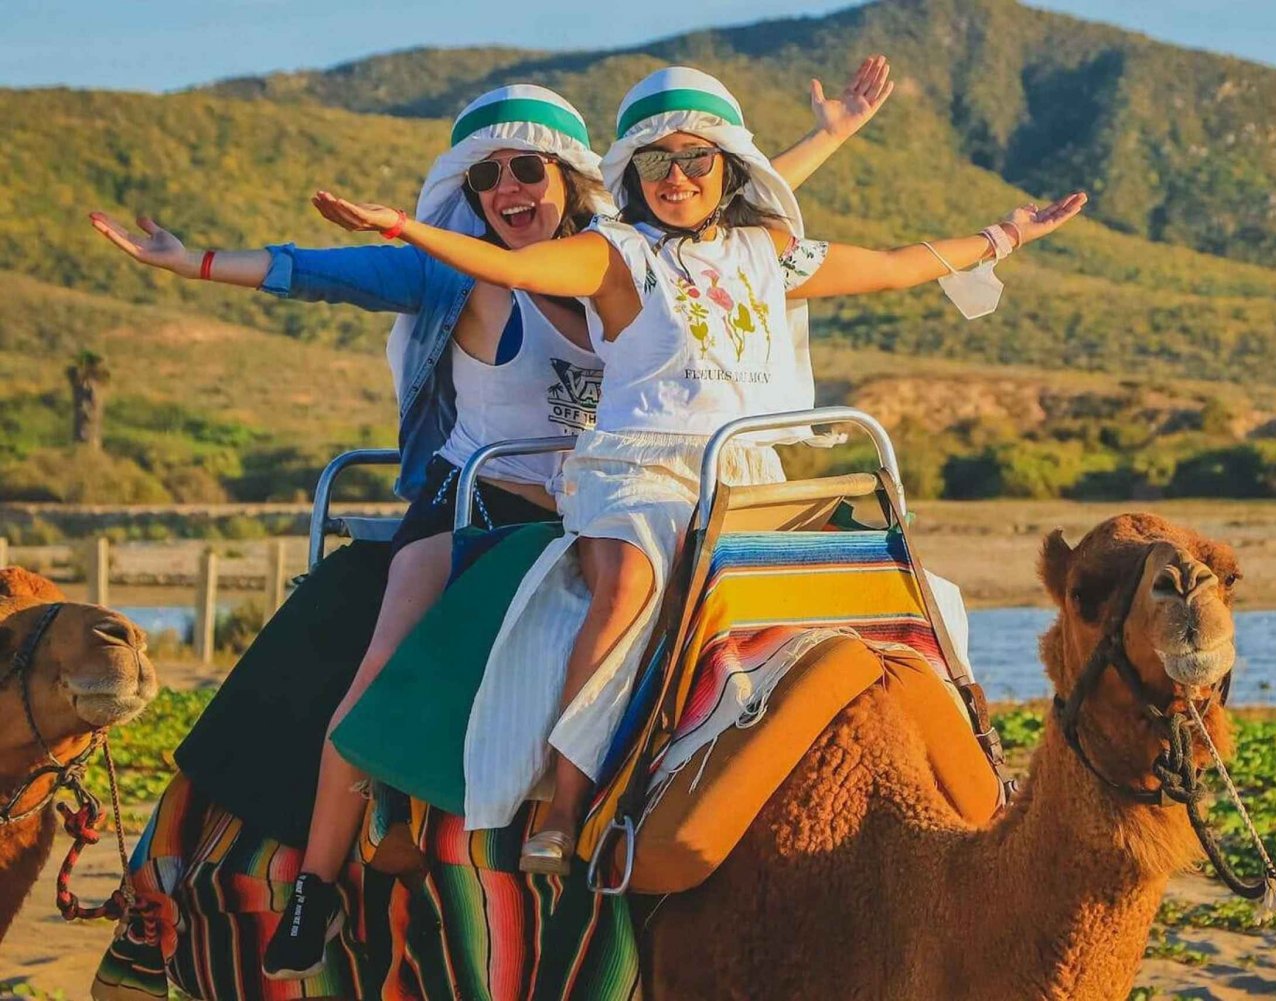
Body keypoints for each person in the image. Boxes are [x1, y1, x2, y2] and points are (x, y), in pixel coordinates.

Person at [91, 63, 894, 983]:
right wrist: (193, 260)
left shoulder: (627, 255)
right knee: (389, 652)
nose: (509, 189)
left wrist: (831, 135)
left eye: (528, 171)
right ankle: (317, 879)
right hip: (480, 498)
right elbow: (320, 271)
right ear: (469, 193)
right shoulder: (458, 269)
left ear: (571, 180)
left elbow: (714, 202)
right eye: (489, 176)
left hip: (618, 492)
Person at [316, 64, 1087, 879]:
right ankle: (564, 806)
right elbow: (512, 268)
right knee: (626, 584)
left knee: (914, 585)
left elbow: (897, 264)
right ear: (632, 177)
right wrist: (406, 226)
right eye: (655, 162)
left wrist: (1004, 235)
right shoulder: (614, 254)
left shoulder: (769, 251)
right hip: (641, 470)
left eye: (694, 159)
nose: (676, 176)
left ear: (726, 167)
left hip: (748, 472)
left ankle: (972, 765)